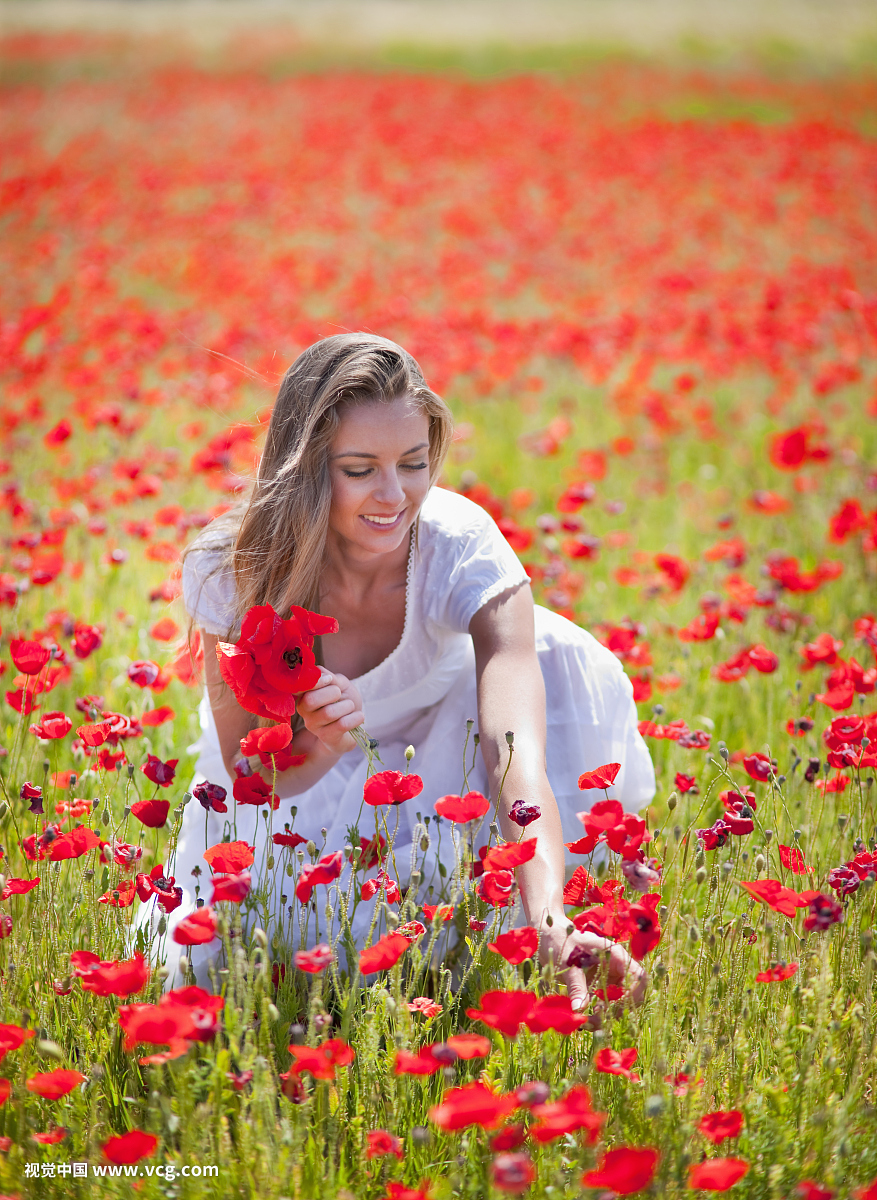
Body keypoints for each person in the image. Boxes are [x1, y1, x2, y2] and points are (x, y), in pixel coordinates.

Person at [138, 333, 655, 1010]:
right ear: (305, 467)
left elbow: (511, 752)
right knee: (238, 955)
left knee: (541, 673)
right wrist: (321, 741)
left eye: (414, 463)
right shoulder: (232, 567)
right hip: (309, 779)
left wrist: (549, 915)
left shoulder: (460, 548)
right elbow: (249, 777)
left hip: (455, 745)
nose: (394, 495)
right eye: (359, 469)